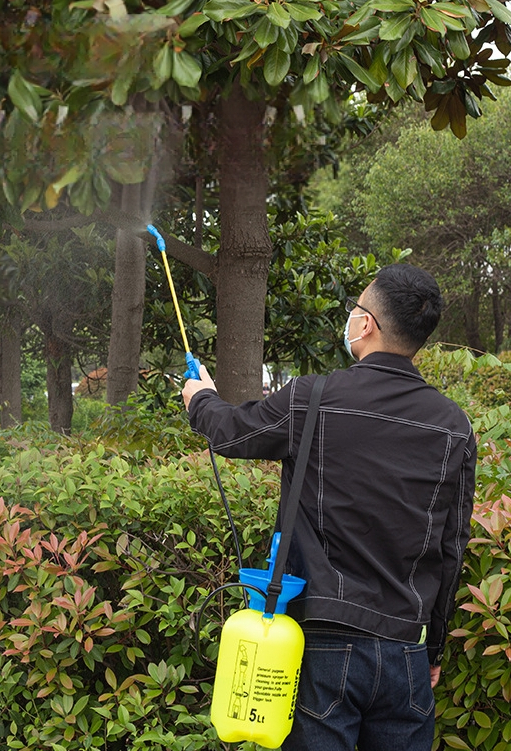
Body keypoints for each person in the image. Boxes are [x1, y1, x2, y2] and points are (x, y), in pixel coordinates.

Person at [182, 264, 476, 751]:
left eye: (354, 309)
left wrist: (200, 398)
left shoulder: (313, 397)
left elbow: (234, 432)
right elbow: (452, 548)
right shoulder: (454, 426)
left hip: (322, 644)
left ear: (366, 325)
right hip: (406, 649)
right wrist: (434, 647)